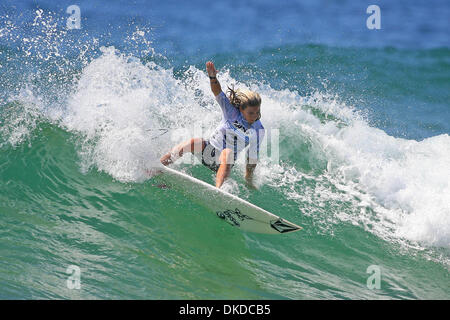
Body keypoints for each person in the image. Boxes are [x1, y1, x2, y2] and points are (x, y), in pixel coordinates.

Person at [160, 61, 265, 188]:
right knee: (194, 141)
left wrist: (249, 179)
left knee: (227, 152)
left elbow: (252, 156)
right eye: (251, 112)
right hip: (208, 152)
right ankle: (159, 165)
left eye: (257, 112)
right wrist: (212, 77)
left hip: (223, 163)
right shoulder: (231, 113)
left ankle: (219, 191)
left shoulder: (258, 129)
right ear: (241, 109)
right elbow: (218, 93)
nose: (255, 116)